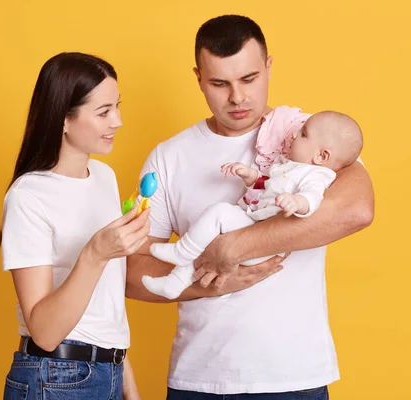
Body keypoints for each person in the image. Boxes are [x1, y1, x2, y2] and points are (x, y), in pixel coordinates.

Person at [126, 15, 374, 399]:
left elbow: (357, 209)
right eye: (219, 83)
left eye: (249, 78)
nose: (237, 97)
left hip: (294, 378)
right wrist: (209, 283)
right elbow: (132, 273)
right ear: (198, 78)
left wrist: (235, 247)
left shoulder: (312, 136)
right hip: (198, 378)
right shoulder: (168, 157)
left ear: (269, 67)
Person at [0, 52, 148, 400]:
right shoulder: (28, 197)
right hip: (55, 376)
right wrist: (95, 253)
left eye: (117, 106)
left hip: (106, 371)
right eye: (103, 112)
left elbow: (104, 307)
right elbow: (45, 332)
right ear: (63, 119)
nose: (118, 121)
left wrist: (127, 384)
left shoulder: (103, 177)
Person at [142, 110, 363, 300]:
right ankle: (174, 283)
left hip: (264, 240)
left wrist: (297, 202)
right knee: (210, 245)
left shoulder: (316, 175)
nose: (295, 133)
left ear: (322, 156)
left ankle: (183, 251)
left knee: (219, 213)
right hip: (252, 221)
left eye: (303, 134)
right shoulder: (290, 165)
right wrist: (250, 176)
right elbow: (268, 185)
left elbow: (313, 199)